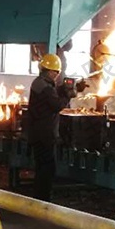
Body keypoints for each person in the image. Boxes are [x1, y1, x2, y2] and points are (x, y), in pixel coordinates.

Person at [25, 53, 84, 201]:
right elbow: (56, 104)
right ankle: (43, 199)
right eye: (56, 73)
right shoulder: (45, 87)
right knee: (47, 169)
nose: (57, 76)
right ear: (50, 71)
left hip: (37, 133)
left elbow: (53, 92)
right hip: (44, 134)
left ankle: (39, 198)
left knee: (42, 167)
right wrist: (69, 95)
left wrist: (69, 88)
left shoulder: (39, 83)